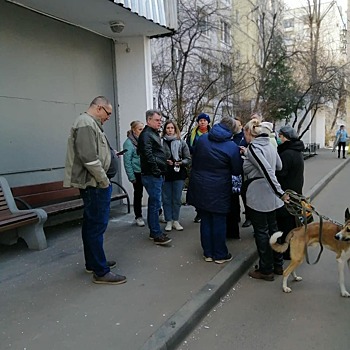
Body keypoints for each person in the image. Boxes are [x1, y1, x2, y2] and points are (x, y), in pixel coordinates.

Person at [63, 96, 127, 285]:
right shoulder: (85, 123)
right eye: (108, 113)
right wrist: (104, 180)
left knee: (92, 224)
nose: (108, 117)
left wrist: (111, 154)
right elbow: (88, 157)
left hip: (95, 183)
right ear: (99, 108)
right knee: (96, 226)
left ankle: (93, 262)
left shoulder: (91, 123)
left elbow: (96, 151)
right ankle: (100, 271)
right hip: (95, 183)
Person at [187, 116, 242, 264]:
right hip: (220, 187)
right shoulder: (231, 147)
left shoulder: (203, 139)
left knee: (205, 219)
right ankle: (220, 254)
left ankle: (208, 253)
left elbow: (196, 158)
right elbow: (236, 169)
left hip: (200, 185)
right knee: (219, 220)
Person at [241, 118, 289, 281]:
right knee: (274, 230)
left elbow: (267, 170)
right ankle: (278, 265)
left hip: (259, 195)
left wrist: (280, 192)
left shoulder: (254, 147)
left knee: (262, 232)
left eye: (244, 133)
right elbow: (278, 166)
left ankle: (266, 270)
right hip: (271, 196)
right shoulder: (269, 144)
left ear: (249, 132)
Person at [138, 109, 172, 245]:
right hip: (152, 174)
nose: (160, 123)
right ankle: (156, 233)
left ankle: (155, 231)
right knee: (155, 204)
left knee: (155, 203)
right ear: (149, 120)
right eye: (157, 120)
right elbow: (147, 155)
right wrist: (156, 170)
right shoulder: (146, 135)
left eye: (160, 120)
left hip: (155, 173)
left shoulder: (152, 134)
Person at [275, 125, 305, 260]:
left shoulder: (287, 153)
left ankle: (286, 251)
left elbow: (282, 173)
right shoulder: (297, 150)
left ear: (285, 137)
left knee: (285, 223)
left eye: (280, 136)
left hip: (287, 193)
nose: (278, 138)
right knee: (292, 222)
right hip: (295, 190)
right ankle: (292, 248)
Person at [162, 120, 191, 232]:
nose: (170, 130)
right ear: (165, 129)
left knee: (177, 198)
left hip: (178, 173)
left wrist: (179, 162)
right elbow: (158, 157)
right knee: (166, 198)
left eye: (172, 128)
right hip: (165, 173)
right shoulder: (161, 142)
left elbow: (188, 159)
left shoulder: (181, 143)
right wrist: (165, 161)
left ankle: (176, 220)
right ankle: (168, 220)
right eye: (168, 128)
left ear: (175, 129)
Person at [187, 113, 211, 223]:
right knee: (197, 189)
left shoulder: (212, 134)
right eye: (200, 120)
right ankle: (199, 212)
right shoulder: (192, 134)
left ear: (208, 122)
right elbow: (188, 149)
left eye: (204, 120)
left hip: (210, 164)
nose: (202, 122)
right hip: (196, 164)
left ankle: (207, 211)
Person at [123, 120, 145, 227]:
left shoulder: (144, 140)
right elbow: (127, 162)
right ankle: (138, 216)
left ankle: (158, 212)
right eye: (140, 129)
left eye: (143, 129)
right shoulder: (128, 143)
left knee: (154, 193)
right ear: (134, 130)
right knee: (138, 194)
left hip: (146, 171)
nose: (142, 131)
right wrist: (131, 176)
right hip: (137, 173)